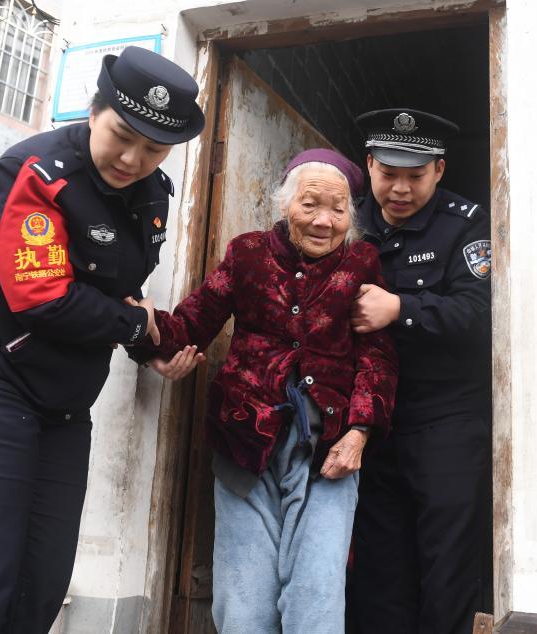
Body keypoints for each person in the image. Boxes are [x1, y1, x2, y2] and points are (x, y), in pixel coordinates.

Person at [0, 47, 205, 633]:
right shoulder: (35, 172)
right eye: (122, 136)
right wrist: (135, 326)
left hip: (64, 405)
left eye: (154, 149)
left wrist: (149, 347)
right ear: (93, 112)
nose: (133, 159)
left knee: (41, 585)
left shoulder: (150, 192)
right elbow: (41, 295)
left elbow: (118, 291)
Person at [137, 148, 398, 634]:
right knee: (244, 597)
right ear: (284, 203)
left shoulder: (362, 263)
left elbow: (376, 357)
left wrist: (360, 431)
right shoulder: (248, 254)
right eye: (310, 204)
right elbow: (194, 321)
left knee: (316, 590)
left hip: (328, 448)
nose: (323, 221)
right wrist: (143, 329)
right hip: (245, 440)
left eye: (338, 209)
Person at [349, 108, 493, 634]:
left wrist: (401, 308)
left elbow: (481, 315)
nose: (401, 189)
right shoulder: (347, 221)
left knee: (447, 566)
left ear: (439, 170)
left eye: (415, 176)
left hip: (446, 421)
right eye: (389, 174)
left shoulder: (466, 223)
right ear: (369, 164)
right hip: (371, 424)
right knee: (379, 571)